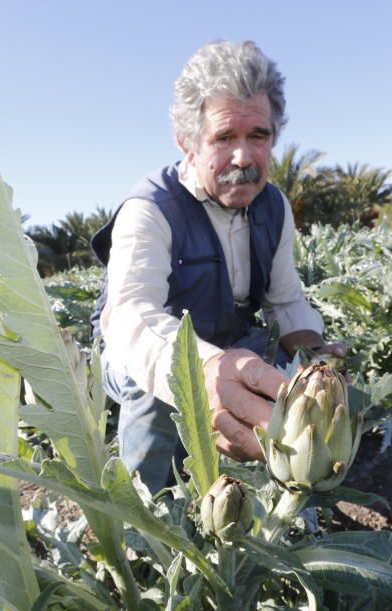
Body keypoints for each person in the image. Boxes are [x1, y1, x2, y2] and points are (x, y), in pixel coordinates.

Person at [91, 40, 345, 492]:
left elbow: (285, 300)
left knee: (306, 376)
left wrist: (313, 354)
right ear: (187, 143)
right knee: (155, 392)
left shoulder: (273, 206)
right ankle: (144, 521)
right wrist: (200, 373)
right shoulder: (150, 208)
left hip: (229, 341)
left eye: (258, 137)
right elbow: (131, 318)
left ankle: (284, 491)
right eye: (224, 138)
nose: (244, 158)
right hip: (137, 352)